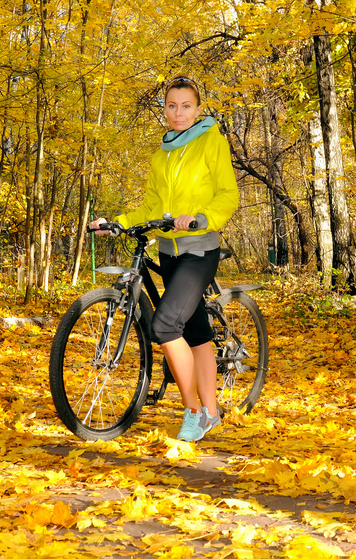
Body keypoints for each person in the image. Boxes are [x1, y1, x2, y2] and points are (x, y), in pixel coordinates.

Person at [90, 76, 239, 442]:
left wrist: (202, 217)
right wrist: (118, 223)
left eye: (186, 105)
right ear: (165, 109)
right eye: (171, 105)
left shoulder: (211, 143)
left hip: (199, 248)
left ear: (198, 109)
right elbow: (152, 207)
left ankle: (193, 412)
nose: (178, 112)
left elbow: (227, 194)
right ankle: (212, 412)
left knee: (164, 326)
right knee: (197, 334)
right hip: (168, 251)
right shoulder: (163, 153)